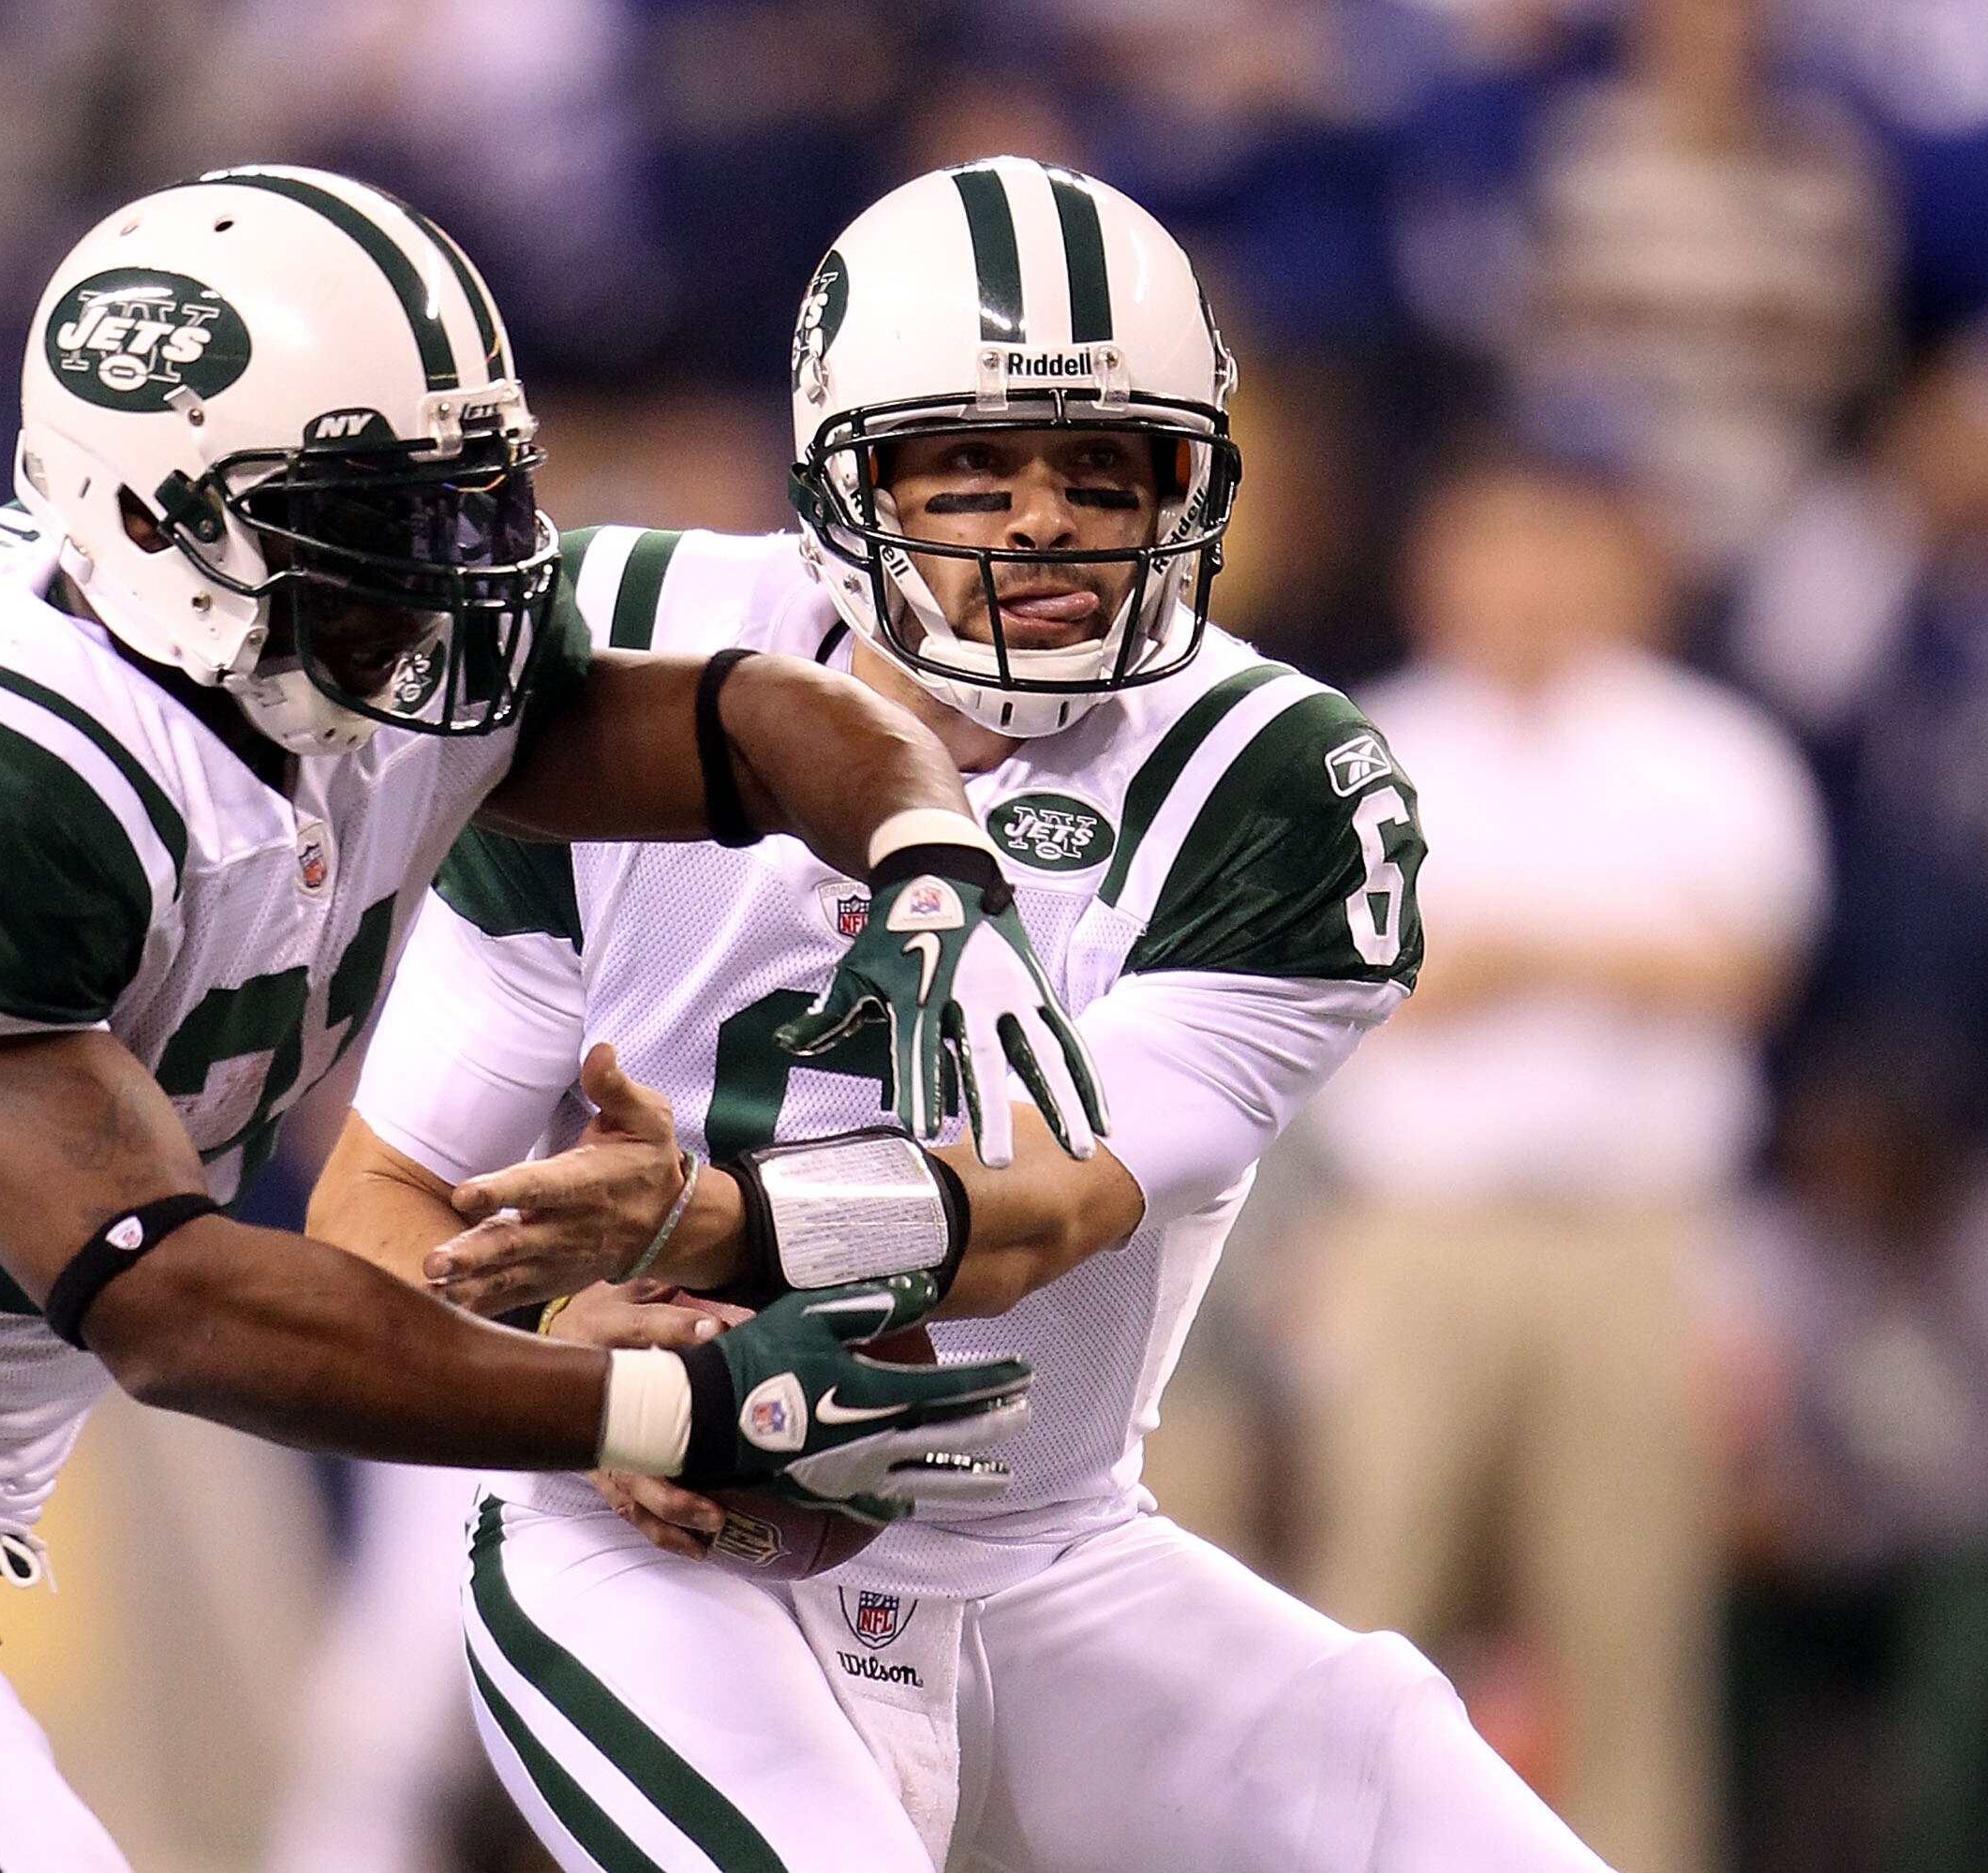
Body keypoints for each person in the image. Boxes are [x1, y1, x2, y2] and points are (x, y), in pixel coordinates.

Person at [0, 165, 1081, 1872]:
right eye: (375, 517)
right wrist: (654, 1406)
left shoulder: (348, 648)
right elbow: (172, 1306)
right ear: (153, 519)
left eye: (467, 498)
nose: (453, 571)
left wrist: (926, 855)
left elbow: (746, 725)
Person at [313, 158, 1612, 1872]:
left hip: (1048, 1558)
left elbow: (1043, 1218)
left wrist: (701, 1220)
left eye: (1102, 469)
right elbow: (378, 1208)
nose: (1043, 523)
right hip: (643, 1543)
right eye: (971, 469)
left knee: (1424, 1801)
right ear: (842, 481)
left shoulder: (1272, 780)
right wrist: (574, 1372)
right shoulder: (625, 653)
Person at [1293, 453, 1827, 1873]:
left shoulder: (1710, 750)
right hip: (1415, 1233)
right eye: (1492, 548)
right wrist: (1598, 952)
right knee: (1371, 1601)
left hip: (1632, 1238)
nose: (1524, 581)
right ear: (1435, 569)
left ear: (1625, 568)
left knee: (1633, 1618)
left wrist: (1519, 950)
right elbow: (1333, 990)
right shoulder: (1358, 744)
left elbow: (1746, 967)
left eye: (1556, 548)